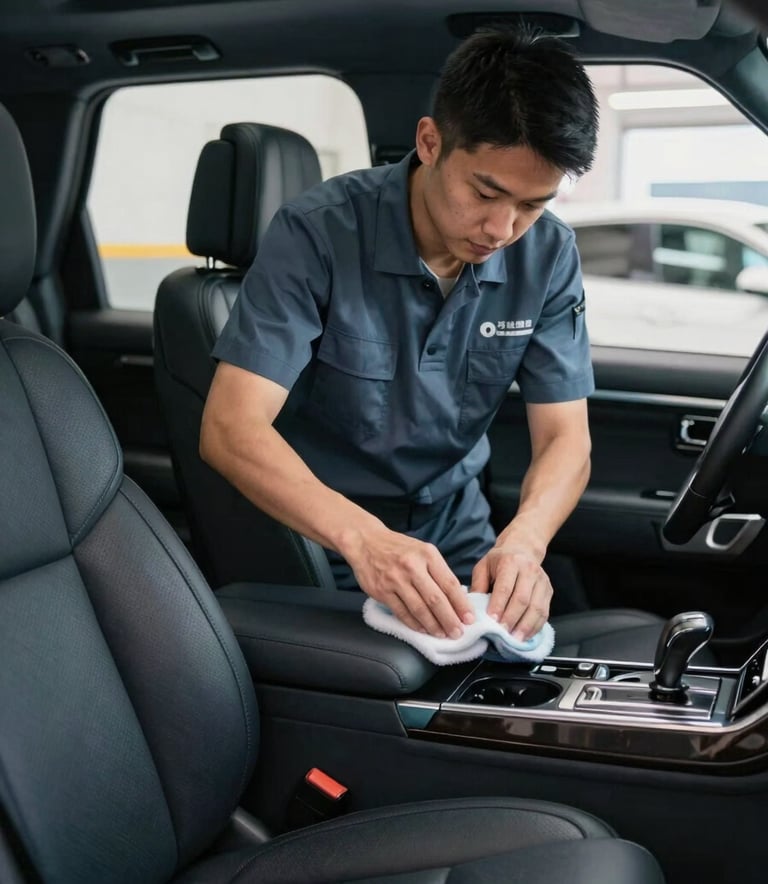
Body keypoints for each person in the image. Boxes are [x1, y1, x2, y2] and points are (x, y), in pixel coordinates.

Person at [200, 27, 598, 644]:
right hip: (323, 534)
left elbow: (565, 436)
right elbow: (231, 428)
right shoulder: (317, 235)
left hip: (459, 528)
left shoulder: (547, 254)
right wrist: (366, 541)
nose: (502, 228)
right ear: (430, 142)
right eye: (486, 192)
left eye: (532, 204)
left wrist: (524, 540)